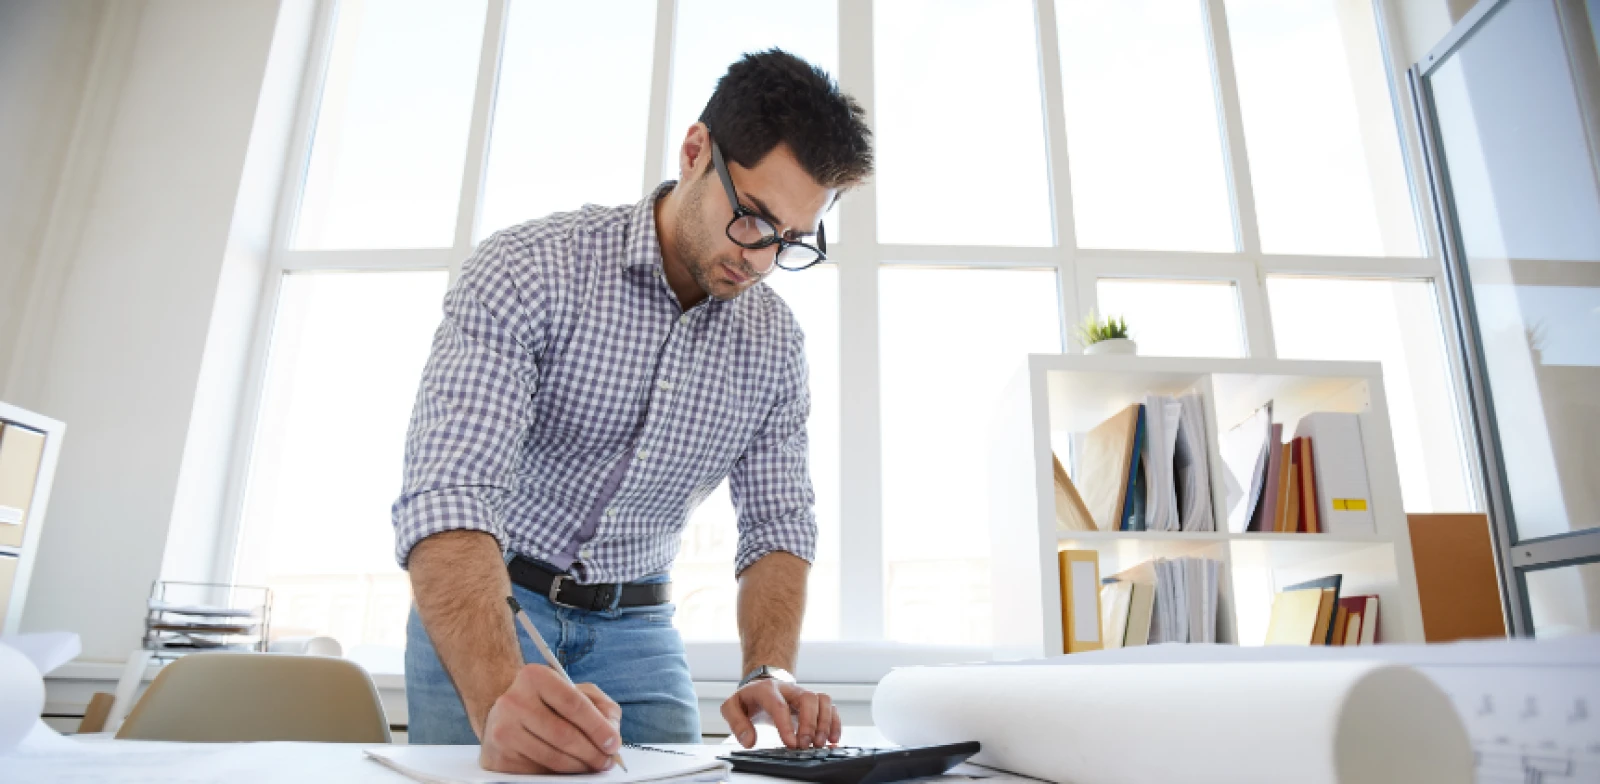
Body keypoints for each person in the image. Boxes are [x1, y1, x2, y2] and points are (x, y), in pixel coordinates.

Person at [391, 49, 874, 775]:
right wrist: (497, 696)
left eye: (791, 241)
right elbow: (451, 493)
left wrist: (768, 670)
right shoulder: (529, 269)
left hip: (640, 628)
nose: (762, 260)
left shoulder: (774, 345)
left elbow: (777, 524)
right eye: (752, 219)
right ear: (694, 152)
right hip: (494, 605)